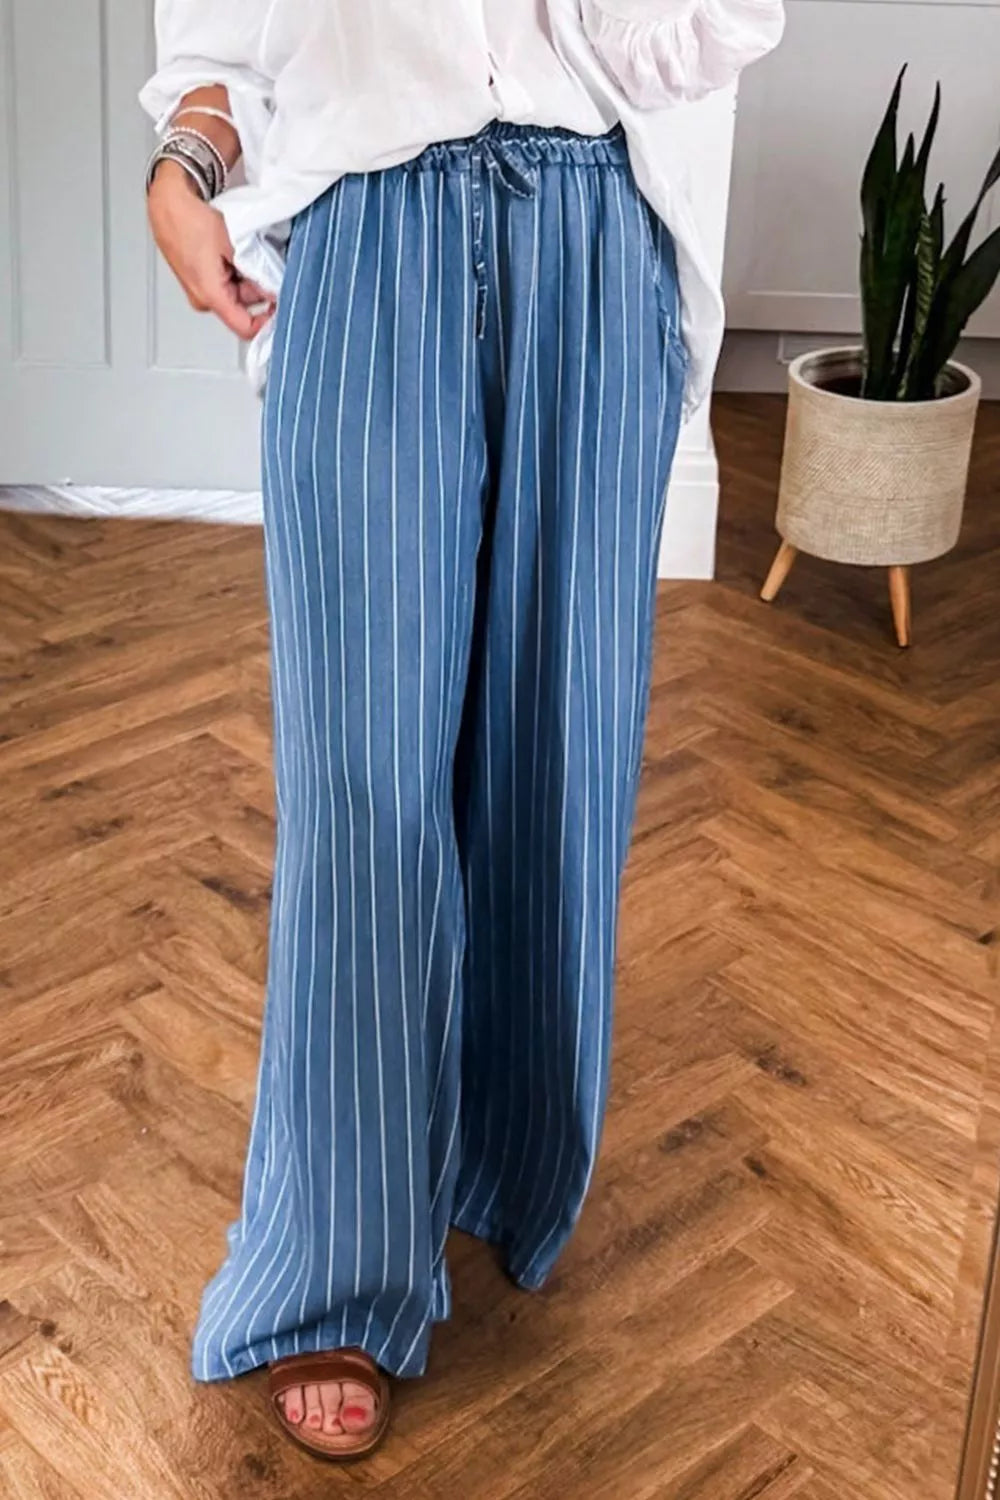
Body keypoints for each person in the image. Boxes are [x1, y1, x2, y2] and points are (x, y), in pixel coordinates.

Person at [143, 0, 784, 1462]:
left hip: (592, 226)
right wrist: (184, 164)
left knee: (559, 755)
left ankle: (503, 1151)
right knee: (364, 783)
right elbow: (218, 52)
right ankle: (342, 1265)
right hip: (366, 238)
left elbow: (714, 27)